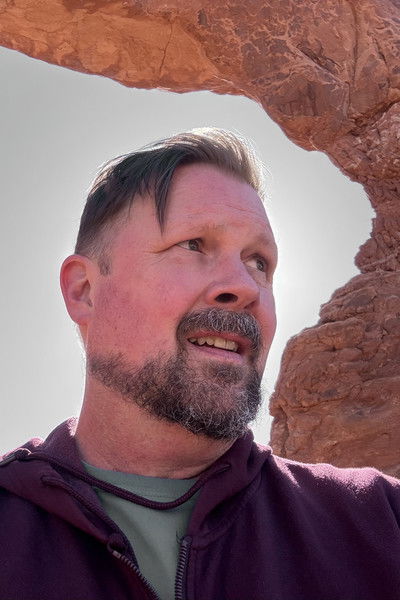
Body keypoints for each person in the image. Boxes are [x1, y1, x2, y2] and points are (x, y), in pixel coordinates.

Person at [1, 128, 400, 600]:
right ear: (85, 291)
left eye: (259, 262)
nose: (244, 286)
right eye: (193, 244)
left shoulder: (381, 522)